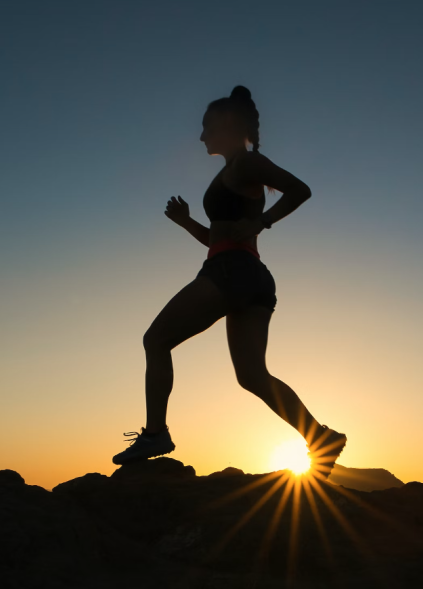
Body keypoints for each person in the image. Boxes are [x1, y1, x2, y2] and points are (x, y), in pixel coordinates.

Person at [112, 85, 346, 480]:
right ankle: (320, 437)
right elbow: (219, 238)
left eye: (206, 127)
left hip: (231, 272)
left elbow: (300, 190)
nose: (201, 136)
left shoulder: (245, 165)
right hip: (249, 275)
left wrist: (262, 221)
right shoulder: (233, 170)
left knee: (156, 340)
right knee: (252, 375)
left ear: (225, 126)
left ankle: (155, 434)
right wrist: (187, 222)